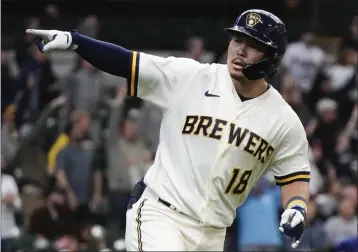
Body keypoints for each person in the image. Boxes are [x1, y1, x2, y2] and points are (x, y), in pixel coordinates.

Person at [27, 9, 311, 251]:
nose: (240, 49)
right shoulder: (191, 77)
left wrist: (296, 207)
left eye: (253, 44)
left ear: (271, 57)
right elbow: (127, 61)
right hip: (161, 215)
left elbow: (294, 176)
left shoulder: (284, 120)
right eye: (237, 39)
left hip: (213, 234)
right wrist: (75, 41)